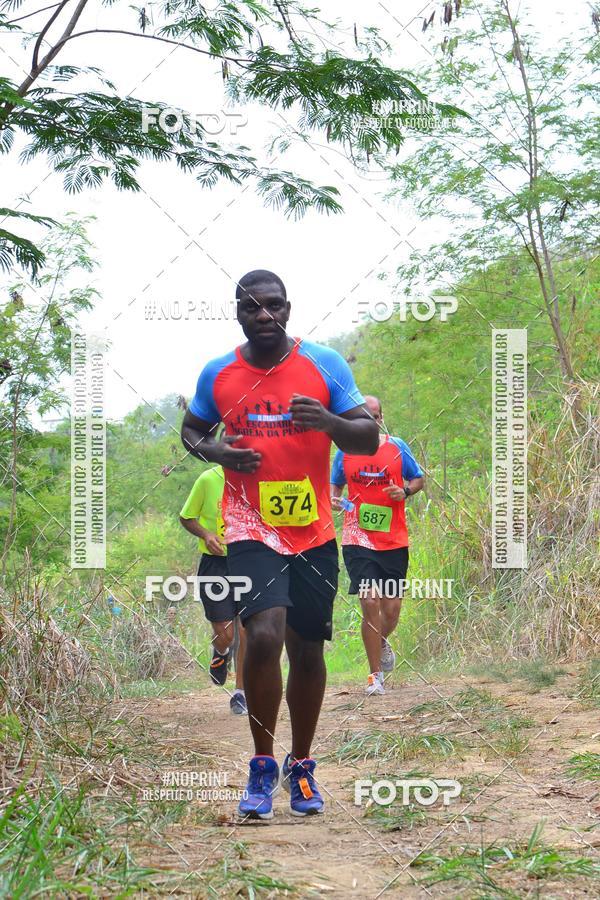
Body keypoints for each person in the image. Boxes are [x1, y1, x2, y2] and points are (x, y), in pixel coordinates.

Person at [181, 269, 378, 820]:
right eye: (251, 308)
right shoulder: (219, 373)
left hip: (313, 530)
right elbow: (192, 431)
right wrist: (219, 454)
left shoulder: (324, 365)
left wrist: (331, 421)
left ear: (288, 308)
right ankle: (263, 764)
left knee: (307, 649)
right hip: (249, 527)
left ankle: (303, 764)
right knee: (263, 637)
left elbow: (368, 436)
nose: (263, 315)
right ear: (238, 312)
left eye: (272, 306)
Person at [331, 395, 424, 696]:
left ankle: (380, 641)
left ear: (381, 419)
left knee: (392, 609)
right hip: (357, 537)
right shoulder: (344, 452)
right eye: (361, 417)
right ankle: (374, 676)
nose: (367, 422)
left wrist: (405, 491)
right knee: (370, 601)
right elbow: (336, 488)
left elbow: (418, 479)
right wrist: (338, 502)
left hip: (393, 538)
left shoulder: (397, 446)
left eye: (372, 416)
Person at [179, 464, 247, 715]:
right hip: (215, 563)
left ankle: (240, 693)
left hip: (250, 560)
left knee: (247, 626)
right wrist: (207, 534)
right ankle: (221, 651)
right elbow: (186, 516)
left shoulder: (258, 477)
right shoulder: (208, 479)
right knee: (226, 632)